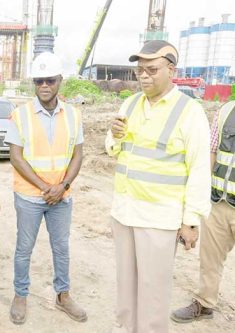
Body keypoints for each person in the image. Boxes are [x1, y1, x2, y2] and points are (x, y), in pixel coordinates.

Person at [105, 40, 211, 332]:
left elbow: (200, 168)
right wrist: (113, 136)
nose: (144, 76)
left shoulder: (189, 111)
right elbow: (113, 150)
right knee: (126, 288)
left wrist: (191, 221)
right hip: (125, 213)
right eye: (140, 70)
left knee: (152, 292)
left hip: (159, 218)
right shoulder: (130, 103)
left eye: (152, 70)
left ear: (171, 70)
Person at [4, 52, 86, 325]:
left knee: (61, 247)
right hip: (29, 196)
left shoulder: (74, 115)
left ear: (60, 80)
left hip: (61, 197)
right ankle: (20, 295)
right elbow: (16, 157)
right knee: (24, 248)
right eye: (38, 81)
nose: (44, 86)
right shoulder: (20, 115)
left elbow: (78, 155)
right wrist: (44, 186)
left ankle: (63, 295)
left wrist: (62, 186)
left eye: (49, 80)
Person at [171, 100, 235, 323]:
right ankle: (205, 303)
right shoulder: (226, 110)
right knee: (210, 259)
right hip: (219, 202)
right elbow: (212, 152)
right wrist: (199, 197)